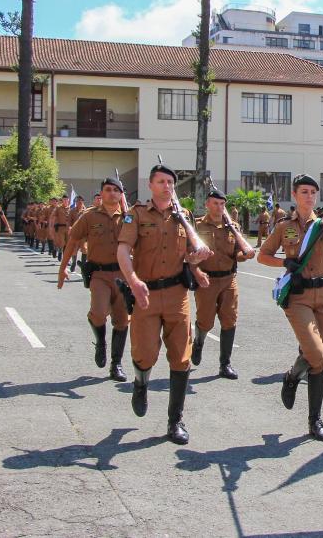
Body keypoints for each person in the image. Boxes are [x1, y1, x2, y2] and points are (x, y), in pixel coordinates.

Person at [117, 164, 211, 445]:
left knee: (181, 358)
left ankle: (175, 421)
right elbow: (123, 250)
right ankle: (141, 382)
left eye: (170, 182)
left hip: (177, 294)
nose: (167, 186)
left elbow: (188, 255)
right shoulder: (136, 215)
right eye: (161, 181)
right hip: (145, 294)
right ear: (150, 185)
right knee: (145, 354)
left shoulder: (184, 217)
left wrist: (197, 267)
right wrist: (133, 280)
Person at [257, 174, 323, 442]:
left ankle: (314, 420)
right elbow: (263, 256)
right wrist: (285, 264)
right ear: (295, 195)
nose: (309, 196)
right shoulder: (284, 227)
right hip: (299, 297)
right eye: (304, 191)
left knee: (320, 360)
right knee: (316, 355)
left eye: (313, 192)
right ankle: (293, 377)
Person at [59, 178, 131, 382]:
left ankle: (116, 364)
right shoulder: (89, 216)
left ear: (121, 195)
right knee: (98, 314)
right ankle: (100, 342)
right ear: (101, 193)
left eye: (117, 190)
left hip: (123, 275)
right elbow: (73, 240)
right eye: (108, 190)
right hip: (99, 273)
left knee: (122, 320)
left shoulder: (129, 217)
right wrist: (62, 268)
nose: (112, 193)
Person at [191, 189, 255, 379]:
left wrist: (246, 255)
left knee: (229, 319)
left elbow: (236, 254)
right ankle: (199, 341)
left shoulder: (232, 226)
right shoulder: (197, 225)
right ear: (207, 205)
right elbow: (188, 254)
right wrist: (196, 270)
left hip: (228, 279)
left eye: (222, 204)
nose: (219, 207)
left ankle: (225, 364)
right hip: (206, 280)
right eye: (215, 203)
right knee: (205, 320)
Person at [49, 195, 72, 263]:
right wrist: (52, 226)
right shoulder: (58, 208)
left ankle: (65, 258)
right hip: (60, 228)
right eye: (64, 200)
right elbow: (53, 217)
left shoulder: (71, 208)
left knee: (67, 244)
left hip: (68, 229)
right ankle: (59, 252)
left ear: (68, 200)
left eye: (66, 200)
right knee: (61, 242)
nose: (65, 201)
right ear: (62, 200)